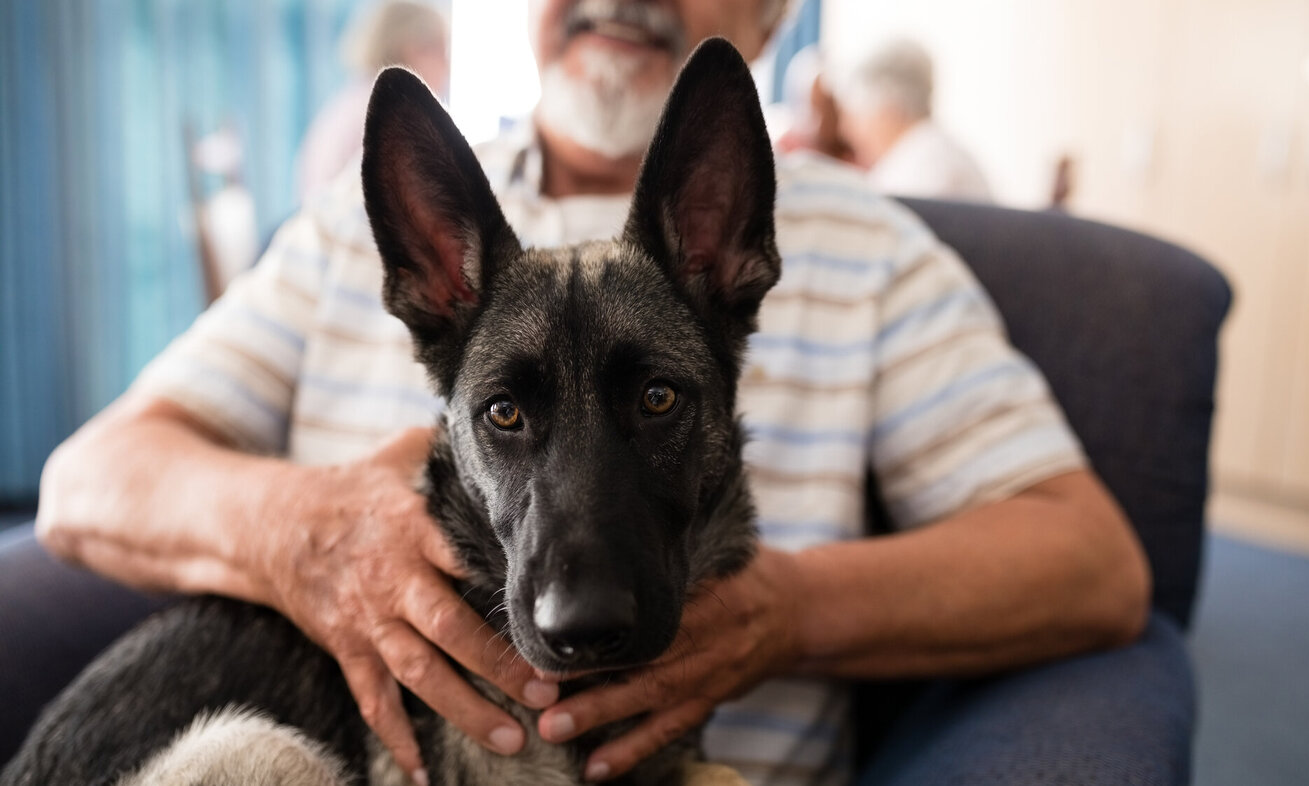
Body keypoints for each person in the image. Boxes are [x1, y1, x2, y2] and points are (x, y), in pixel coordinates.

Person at [22, 1, 1154, 784]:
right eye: (503, 415)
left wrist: (792, 609)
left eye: (657, 399)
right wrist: (299, 532)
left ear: (767, 19)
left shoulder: (877, 249)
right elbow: (83, 485)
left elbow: (1096, 566)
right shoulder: (340, 233)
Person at [295, 0, 450, 202]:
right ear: (413, 50)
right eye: (442, 52)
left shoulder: (353, 98)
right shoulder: (389, 107)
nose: (447, 67)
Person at [836, 38, 994, 202]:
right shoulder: (938, 153)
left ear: (888, 110)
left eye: (855, 116)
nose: (846, 131)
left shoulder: (915, 173)